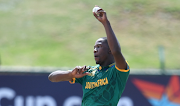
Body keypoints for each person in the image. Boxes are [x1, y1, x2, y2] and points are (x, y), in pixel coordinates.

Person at [48, 5, 130, 106]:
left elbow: (116, 51)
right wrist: (70, 75)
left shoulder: (118, 72)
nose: (95, 50)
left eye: (99, 47)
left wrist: (105, 23)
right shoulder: (88, 72)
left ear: (109, 50)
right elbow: (52, 77)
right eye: (94, 47)